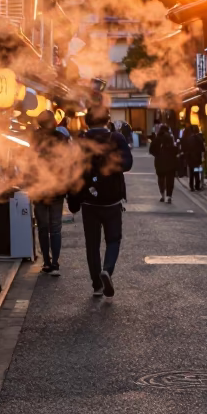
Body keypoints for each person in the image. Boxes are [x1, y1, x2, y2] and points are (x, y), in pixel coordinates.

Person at [68, 105, 133, 298]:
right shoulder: (116, 138)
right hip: (112, 200)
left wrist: (73, 198)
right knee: (113, 239)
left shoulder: (80, 141)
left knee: (92, 244)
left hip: (89, 201)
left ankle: (96, 285)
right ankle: (107, 270)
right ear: (107, 119)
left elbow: (73, 172)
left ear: (87, 121)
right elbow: (128, 164)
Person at [31, 110, 72, 275]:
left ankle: (47, 262)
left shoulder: (34, 138)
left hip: (39, 188)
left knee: (42, 227)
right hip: (57, 188)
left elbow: (28, 161)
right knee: (55, 227)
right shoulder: (61, 138)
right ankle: (55, 262)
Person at [148, 124, 179, 203]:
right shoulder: (170, 138)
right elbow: (175, 149)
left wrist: (157, 154)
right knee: (170, 180)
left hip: (159, 162)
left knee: (161, 179)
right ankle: (169, 196)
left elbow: (151, 150)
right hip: (171, 162)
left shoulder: (157, 139)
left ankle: (162, 195)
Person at [181, 125, 206, 191]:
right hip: (197, 158)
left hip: (190, 158)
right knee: (197, 172)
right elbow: (203, 148)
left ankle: (191, 186)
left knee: (191, 172)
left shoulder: (188, 139)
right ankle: (197, 185)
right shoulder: (199, 138)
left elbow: (185, 149)